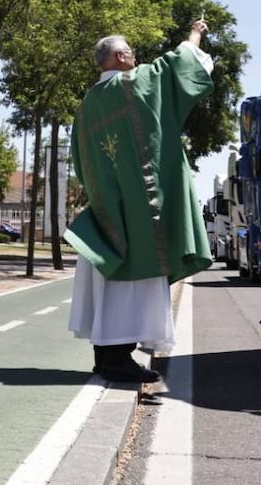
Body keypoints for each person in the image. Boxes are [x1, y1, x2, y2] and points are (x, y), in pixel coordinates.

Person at [65, 20, 214, 384]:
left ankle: (106, 356)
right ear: (119, 56)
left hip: (105, 212)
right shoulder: (135, 84)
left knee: (109, 284)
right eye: (131, 50)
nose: (135, 56)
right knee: (132, 281)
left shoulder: (86, 107)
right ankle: (117, 358)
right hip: (138, 212)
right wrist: (196, 34)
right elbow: (181, 63)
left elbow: (81, 165)